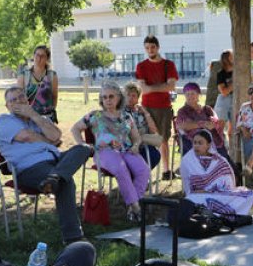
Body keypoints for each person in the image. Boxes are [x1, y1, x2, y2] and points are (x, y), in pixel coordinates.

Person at [0, 86, 92, 244]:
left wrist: (33, 115)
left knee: (84, 148)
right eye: (13, 100)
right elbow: (26, 136)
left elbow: (56, 135)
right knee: (66, 182)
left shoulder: (39, 119)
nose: (18, 101)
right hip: (29, 167)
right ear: (7, 106)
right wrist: (49, 142)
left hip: (55, 160)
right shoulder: (4, 120)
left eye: (21, 97)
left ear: (28, 101)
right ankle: (73, 237)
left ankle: (54, 177)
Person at [72, 82, 150, 222]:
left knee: (143, 170)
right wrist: (83, 145)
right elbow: (75, 129)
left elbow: (136, 137)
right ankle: (137, 208)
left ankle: (132, 206)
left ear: (119, 98)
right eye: (104, 97)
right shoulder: (95, 115)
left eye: (111, 96)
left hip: (126, 151)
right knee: (121, 169)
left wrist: (136, 145)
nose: (107, 100)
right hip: (104, 152)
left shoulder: (126, 116)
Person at [180, 130, 253, 216]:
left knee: (250, 195)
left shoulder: (220, 161)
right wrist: (200, 192)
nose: (196, 146)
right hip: (199, 196)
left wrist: (209, 190)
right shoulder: (187, 160)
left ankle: (214, 211)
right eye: (195, 143)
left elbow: (228, 186)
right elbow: (187, 187)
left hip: (220, 195)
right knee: (190, 200)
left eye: (200, 143)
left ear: (208, 145)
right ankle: (216, 211)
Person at [133, 35, 178, 180]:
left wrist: (151, 88)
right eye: (147, 48)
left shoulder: (168, 65)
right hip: (146, 108)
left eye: (152, 47)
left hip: (164, 107)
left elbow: (171, 86)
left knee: (164, 139)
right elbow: (143, 89)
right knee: (147, 140)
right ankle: (145, 173)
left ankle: (166, 171)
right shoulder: (141, 66)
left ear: (158, 47)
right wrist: (162, 86)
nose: (150, 50)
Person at [174, 82, 229, 162]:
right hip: (193, 141)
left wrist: (214, 124)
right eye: (187, 94)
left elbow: (216, 122)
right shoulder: (183, 111)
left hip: (211, 139)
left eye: (192, 93)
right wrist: (201, 124)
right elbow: (180, 126)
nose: (190, 96)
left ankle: (223, 166)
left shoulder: (207, 109)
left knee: (220, 150)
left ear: (199, 94)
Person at [123, 82, 162, 170]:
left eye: (133, 96)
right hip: (129, 146)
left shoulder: (140, 112)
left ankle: (140, 175)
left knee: (154, 155)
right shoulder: (120, 112)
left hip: (144, 146)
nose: (130, 98)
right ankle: (138, 175)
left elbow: (153, 131)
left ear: (138, 99)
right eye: (128, 95)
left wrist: (146, 113)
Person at [17, 44, 60, 123]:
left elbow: (54, 96)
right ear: (33, 56)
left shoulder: (52, 75)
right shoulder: (23, 75)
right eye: (37, 55)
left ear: (47, 59)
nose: (39, 58)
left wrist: (51, 113)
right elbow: (18, 98)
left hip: (47, 119)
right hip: (29, 119)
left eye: (42, 56)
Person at [205, 50, 234, 140]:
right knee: (219, 127)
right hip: (224, 100)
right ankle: (220, 145)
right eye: (232, 56)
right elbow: (224, 92)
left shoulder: (238, 71)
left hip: (236, 99)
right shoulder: (221, 73)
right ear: (226, 59)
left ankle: (232, 147)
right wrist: (234, 84)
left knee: (232, 130)